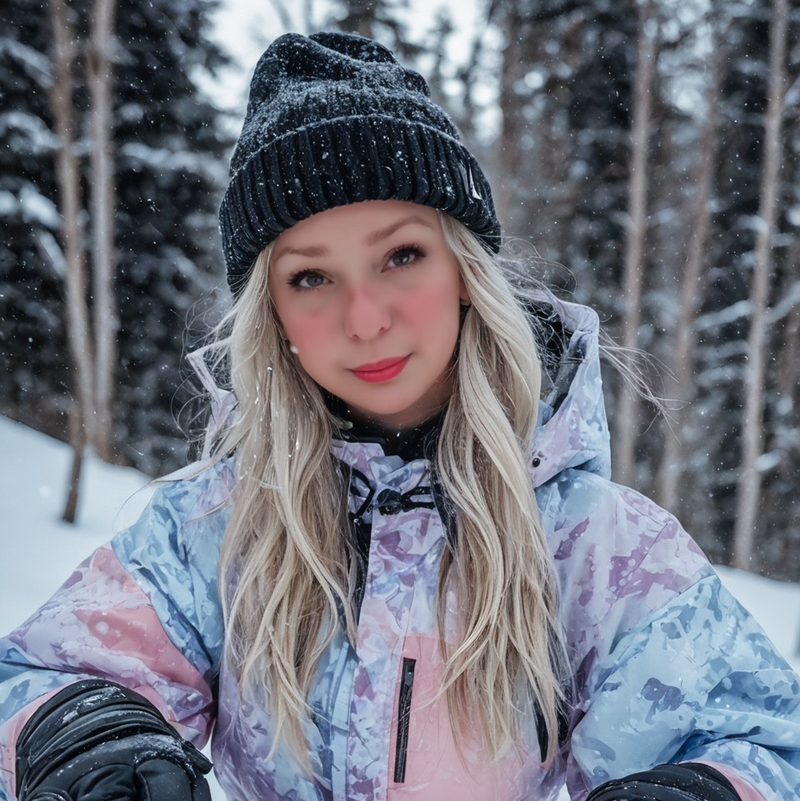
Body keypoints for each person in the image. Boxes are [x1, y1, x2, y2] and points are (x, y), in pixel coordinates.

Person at [1, 30, 798, 801]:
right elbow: (41, 677)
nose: (366, 318)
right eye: (311, 277)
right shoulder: (209, 529)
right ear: (272, 314)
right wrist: (85, 733)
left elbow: (754, 740)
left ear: (466, 271)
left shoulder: (594, 544)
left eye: (401, 256)